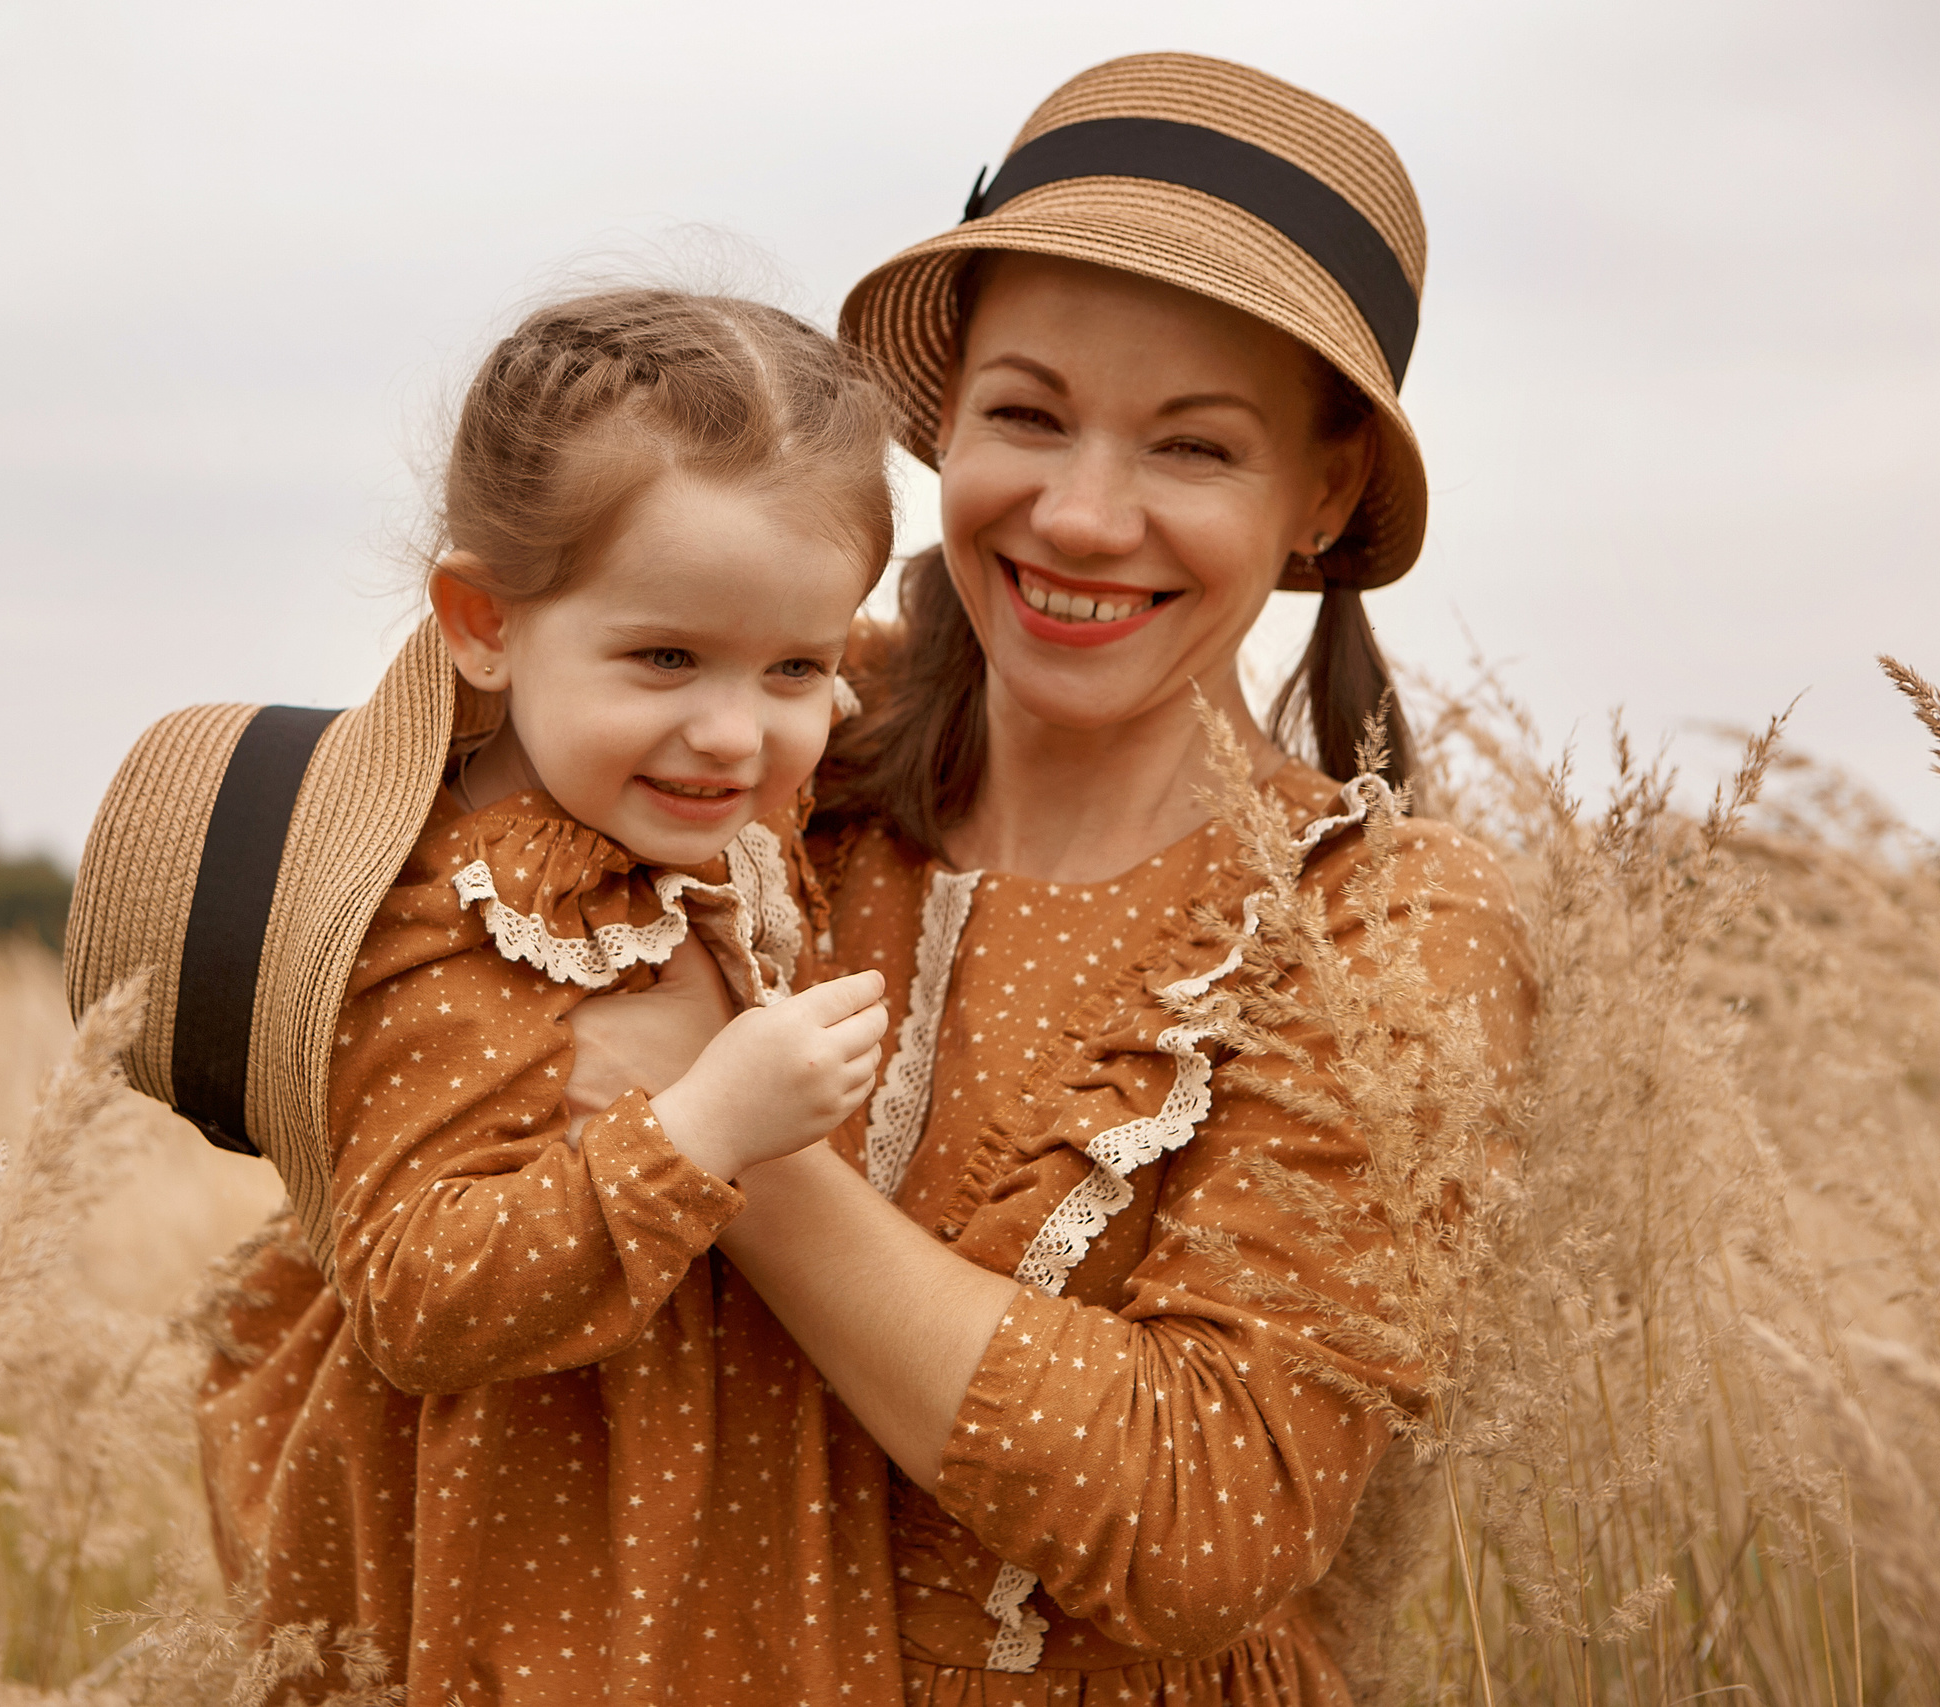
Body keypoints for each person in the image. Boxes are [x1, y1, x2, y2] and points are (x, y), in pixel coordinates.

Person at [561, 53, 1538, 1707]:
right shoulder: (774, 756)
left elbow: (1205, 1521)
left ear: (1328, 490)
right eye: (1027, 414)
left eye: (1193, 449)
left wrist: (726, 1140)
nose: (1083, 517)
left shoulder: (1386, 927)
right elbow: (394, 889)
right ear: (942, 424)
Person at [192, 287, 912, 1706]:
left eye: (795, 667)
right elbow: (415, 1294)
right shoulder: (457, 920)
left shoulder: (698, 793)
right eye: (664, 657)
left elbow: (865, 654)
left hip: (724, 1512)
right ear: (483, 624)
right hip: (546, 1551)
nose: (731, 731)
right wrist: (702, 1126)